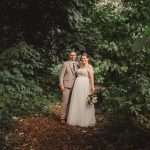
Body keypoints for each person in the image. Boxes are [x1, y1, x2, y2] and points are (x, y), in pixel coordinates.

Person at [67, 53, 96, 127]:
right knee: (77, 100)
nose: (83, 59)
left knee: (84, 101)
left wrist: (92, 87)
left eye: (85, 58)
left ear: (88, 58)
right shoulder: (80, 65)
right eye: (82, 58)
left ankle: (84, 119)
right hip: (77, 85)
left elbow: (91, 78)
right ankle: (75, 118)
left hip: (85, 84)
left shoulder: (90, 66)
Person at [59, 51, 78, 124]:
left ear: (76, 56)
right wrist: (61, 84)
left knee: (72, 102)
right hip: (66, 85)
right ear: (69, 56)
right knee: (65, 102)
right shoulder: (65, 63)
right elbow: (61, 75)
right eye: (71, 55)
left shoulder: (77, 64)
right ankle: (62, 118)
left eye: (74, 55)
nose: (73, 56)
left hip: (75, 86)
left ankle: (69, 117)